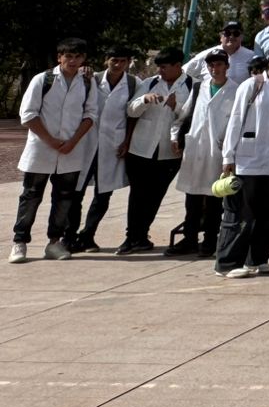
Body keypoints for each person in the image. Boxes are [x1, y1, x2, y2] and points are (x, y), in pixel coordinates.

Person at [216, 49, 269, 278]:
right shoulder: (252, 85)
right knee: (240, 215)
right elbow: (235, 120)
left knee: (265, 215)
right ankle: (227, 263)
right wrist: (228, 157)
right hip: (247, 161)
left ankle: (257, 259)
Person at [11, 38, 97, 264]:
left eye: (78, 56)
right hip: (41, 148)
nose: (73, 60)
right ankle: (20, 242)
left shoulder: (87, 83)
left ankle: (54, 242)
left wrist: (73, 142)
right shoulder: (43, 80)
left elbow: (91, 115)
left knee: (64, 198)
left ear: (84, 59)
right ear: (60, 57)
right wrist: (50, 140)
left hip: (71, 151)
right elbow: (28, 114)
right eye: (69, 56)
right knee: (31, 195)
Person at [119, 47, 191, 255]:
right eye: (159, 67)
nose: (160, 71)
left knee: (155, 195)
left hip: (169, 153)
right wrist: (144, 100)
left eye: (165, 67)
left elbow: (190, 118)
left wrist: (177, 107)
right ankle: (132, 237)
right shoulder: (149, 83)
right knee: (137, 194)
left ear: (178, 65)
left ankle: (141, 234)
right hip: (141, 149)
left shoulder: (191, 86)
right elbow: (130, 109)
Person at [167, 50, 238, 258]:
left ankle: (209, 241)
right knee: (193, 199)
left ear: (227, 66)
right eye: (211, 65)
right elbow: (185, 114)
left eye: (219, 65)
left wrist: (230, 153)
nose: (215, 69)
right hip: (196, 148)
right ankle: (189, 239)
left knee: (215, 199)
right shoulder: (200, 87)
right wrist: (176, 136)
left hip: (218, 152)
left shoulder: (236, 90)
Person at [66, 46, 136, 254]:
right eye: (114, 60)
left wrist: (127, 142)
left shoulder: (133, 84)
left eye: (123, 61)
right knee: (75, 192)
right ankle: (69, 236)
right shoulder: (90, 79)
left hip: (112, 145)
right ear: (106, 60)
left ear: (128, 62)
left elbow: (133, 115)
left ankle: (88, 235)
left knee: (103, 193)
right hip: (86, 143)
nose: (118, 65)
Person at [182, 21, 253, 86]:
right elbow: (183, 73)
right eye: (227, 33)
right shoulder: (206, 55)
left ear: (242, 37)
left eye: (236, 34)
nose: (231, 37)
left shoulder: (251, 56)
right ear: (221, 37)